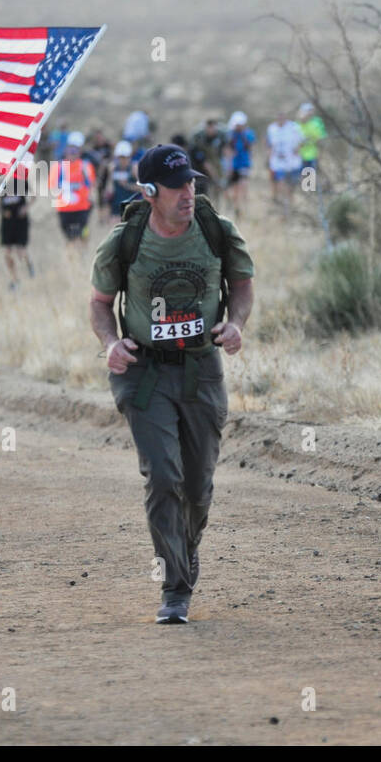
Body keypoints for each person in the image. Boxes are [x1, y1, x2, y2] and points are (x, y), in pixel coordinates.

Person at [89, 144, 255, 624]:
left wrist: (237, 322)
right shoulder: (125, 240)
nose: (188, 192)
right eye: (176, 186)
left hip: (201, 368)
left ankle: (185, 550)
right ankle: (175, 586)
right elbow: (100, 302)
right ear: (148, 191)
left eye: (191, 183)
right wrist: (110, 343)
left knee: (198, 486)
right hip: (145, 371)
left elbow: (241, 284)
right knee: (164, 476)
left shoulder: (215, 231)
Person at [51, 130, 97, 242]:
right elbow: (53, 187)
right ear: (66, 150)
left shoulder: (86, 165)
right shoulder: (58, 166)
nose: (73, 152)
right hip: (64, 208)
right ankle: (71, 258)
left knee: (82, 235)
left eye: (75, 150)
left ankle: (82, 255)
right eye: (70, 149)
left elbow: (92, 184)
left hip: (82, 208)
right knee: (69, 238)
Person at [0, 167, 35, 288]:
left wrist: (25, 208)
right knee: (7, 252)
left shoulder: (20, 180)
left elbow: (33, 196)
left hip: (20, 221)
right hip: (7, 222)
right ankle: (14, 279)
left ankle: (29, 265)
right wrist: (2, 212)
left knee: (21, 250)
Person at [266, 110, 303, 218]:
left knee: (291, 188)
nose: (281, 119)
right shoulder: (271, 128)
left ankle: (292, 209)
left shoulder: (294, 127)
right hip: (277, 164)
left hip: (292, 164)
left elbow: (301, 141)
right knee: (282, 186)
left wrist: (297, 149)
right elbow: (269, 145)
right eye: (279, 117)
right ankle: (284, 211)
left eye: (283, 117)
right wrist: (268, 158)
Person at [223, 111, 256, 214]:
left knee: (243, 185)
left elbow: (251, 148)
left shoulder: (248, 134)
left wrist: (250, 161)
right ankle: (236, 208)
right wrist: (228, 166)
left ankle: (244, 208)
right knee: (233, 189)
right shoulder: (229, 135)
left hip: (244, 164)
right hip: (232, 165)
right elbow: (227, 150)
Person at [105, 139, 141, 222]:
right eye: (120, 157)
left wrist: (127, 185)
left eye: (124, 157)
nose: (122, 160)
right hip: (116, 206)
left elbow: (142, 188)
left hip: (131, 206)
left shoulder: (134, 168)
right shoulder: (113, 168)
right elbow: (109, 189)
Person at [296, 102, 326, 183]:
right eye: (307, 111)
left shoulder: (317, 122)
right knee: (300, 175)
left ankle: (310, 191)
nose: (310, 113)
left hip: (313, 154)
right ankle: (302, 191)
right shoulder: (297, 124)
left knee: (310, 175)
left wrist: (320, 152)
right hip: (299, 154)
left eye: (311, 111)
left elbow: (321, 138)